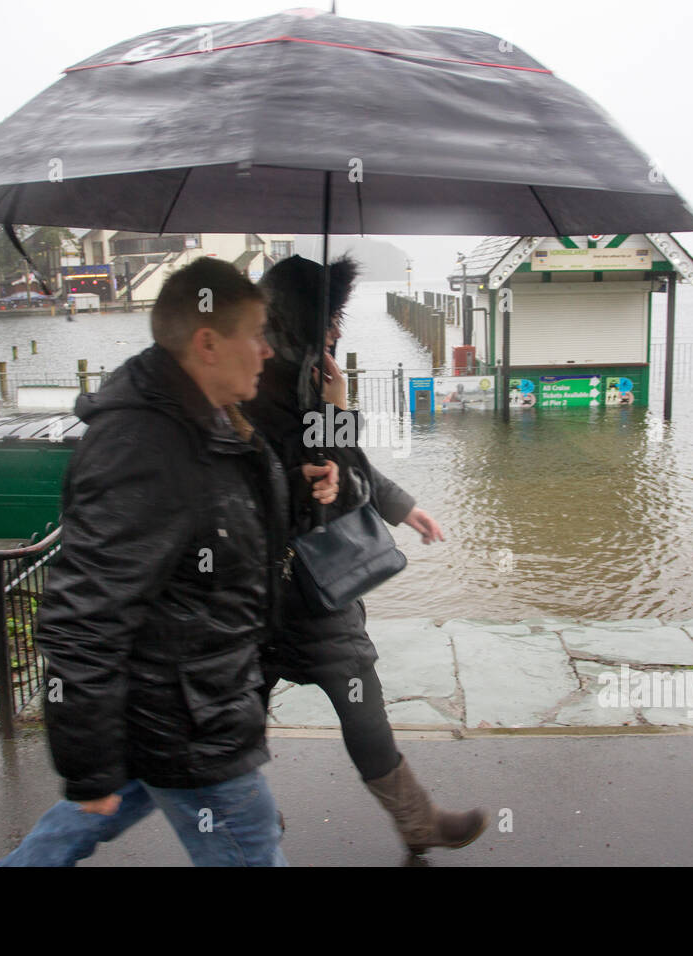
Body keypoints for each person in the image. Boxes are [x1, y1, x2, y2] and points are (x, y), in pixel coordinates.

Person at [0, 257, 338, 867]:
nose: (266, 352)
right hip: (188, 724)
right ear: (208, 343)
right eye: (256, 335)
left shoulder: (206, 418)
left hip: (170, 705)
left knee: (74, 830)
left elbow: (222, 526)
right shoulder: (143, 446)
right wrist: (89, 768)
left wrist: (299, 479)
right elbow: (82, 616)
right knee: (249, 850)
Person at [243, 254, 487, 858]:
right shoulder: (247, 389)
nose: (338, 331)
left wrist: (401, 504)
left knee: (356, 712)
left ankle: (418, 823)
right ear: (301, 320)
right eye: (331, 319)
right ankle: (248, 820)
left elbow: (351, 474)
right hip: (272, 595)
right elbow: (303, 484)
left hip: (308, 589)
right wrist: (316, 467)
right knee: (244, 720)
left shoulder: (310, 382)